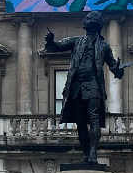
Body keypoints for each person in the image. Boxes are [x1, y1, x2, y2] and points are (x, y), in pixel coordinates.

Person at [45, 11, 125, 164]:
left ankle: (93, 154)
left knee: (94, 119)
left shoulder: (104, 46)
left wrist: (120, 70)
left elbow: (114, 67)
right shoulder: (76, 41)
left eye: (88, 18)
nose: (85, 20)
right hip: (76, 87)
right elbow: (58, 46)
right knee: (80, 122)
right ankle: (86, 155)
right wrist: (51, 41)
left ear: (95, 23)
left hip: (93, 85)